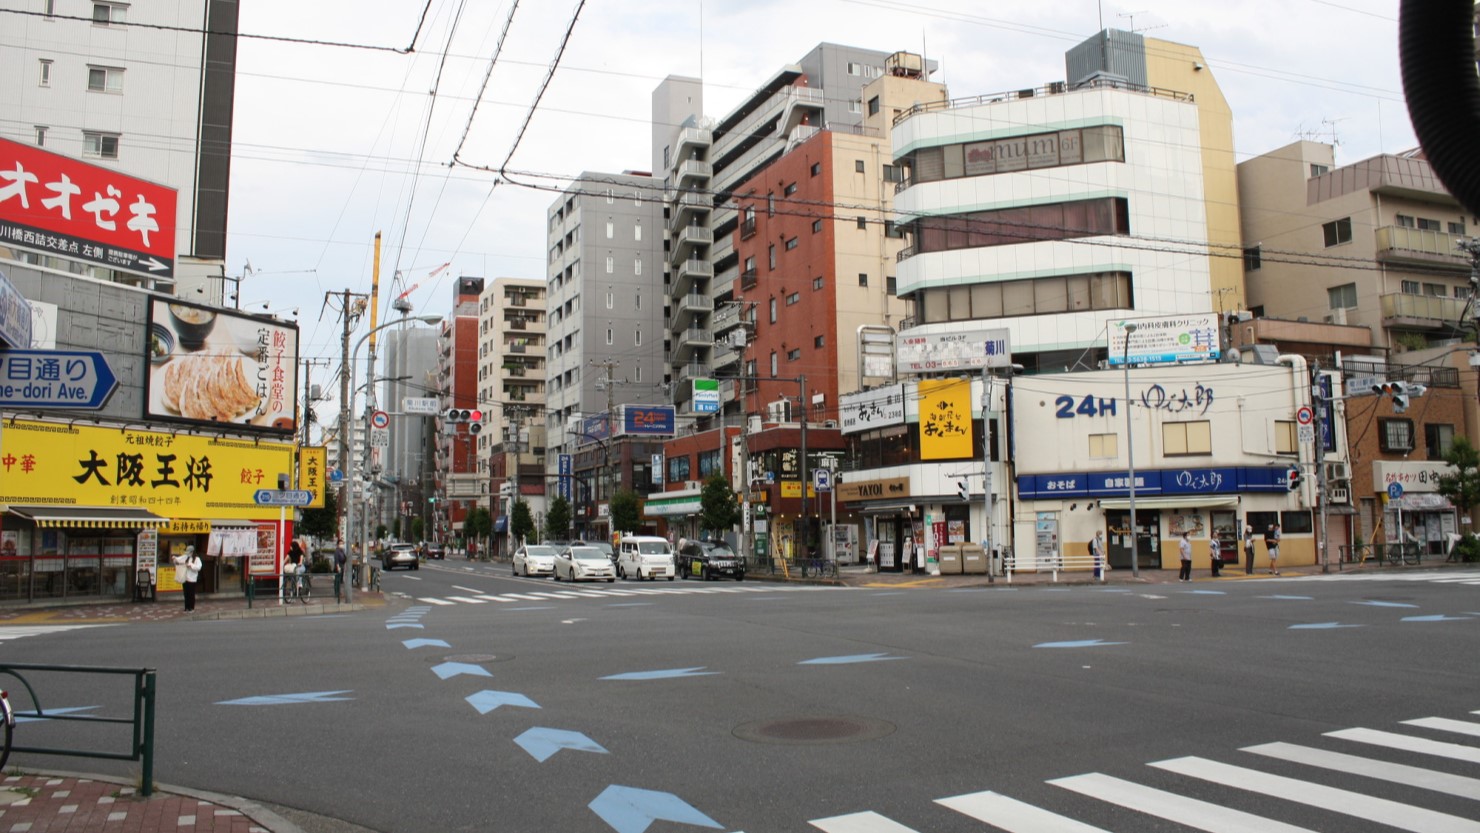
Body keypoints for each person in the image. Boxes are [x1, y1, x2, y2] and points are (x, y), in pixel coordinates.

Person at [171, 545, 202, 612]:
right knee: (186, 594)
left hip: (192, 579)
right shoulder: (186, 557)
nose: (188, 554)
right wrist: (175, 558)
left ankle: (191, 608)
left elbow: (199, 567)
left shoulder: (197, 559)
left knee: (191, 594)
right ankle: (186, 607)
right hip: (185, 578)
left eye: (190, 552)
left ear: (193, 552)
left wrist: (191, 565)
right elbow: (179, 559)